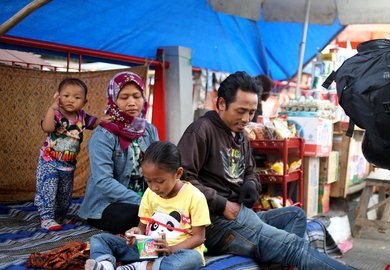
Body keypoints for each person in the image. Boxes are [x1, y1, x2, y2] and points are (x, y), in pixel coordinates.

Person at [177, 71, 354, 269]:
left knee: (296, 215)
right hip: (213, 223)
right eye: (240, 111)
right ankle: (286, 252)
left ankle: (277, 258)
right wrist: (222, 204)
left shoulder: (240, 135)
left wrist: (251, 184)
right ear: (221, 104)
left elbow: (251, 171)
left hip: (240, 214)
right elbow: (183, 180)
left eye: (251, 112)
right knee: (292, 247)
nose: (246, 118)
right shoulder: (201, 131)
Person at [85, 141, 210, 270]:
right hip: (149, 249)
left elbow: (199, 237)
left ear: (178, 173)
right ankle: (106, 266)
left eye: (160, 181)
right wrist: (136, 233)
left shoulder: (195, 197)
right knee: (100, 239)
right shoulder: (150, 193)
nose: (154, 187)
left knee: (192, 259)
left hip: (178, 252)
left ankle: (140, 267)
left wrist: (171, 249)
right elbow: (142, 227)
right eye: (148, 181)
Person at [78, 71, 159, 234]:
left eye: (137, 96)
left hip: (146, 200)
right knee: (136, 217)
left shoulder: (149, 130)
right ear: (113, 99)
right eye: (124, 97)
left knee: (179, 211)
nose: (132, 103)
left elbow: (159, 167)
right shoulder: (103, 135)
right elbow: (103, 181)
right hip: (106, 205)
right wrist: (143, 202)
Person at [35, 78, 101, 231]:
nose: (71, 100)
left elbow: (95, 122)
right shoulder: (56, 114)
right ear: (58, 97)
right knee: (49, 188)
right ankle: (46, 218)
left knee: (65, 194)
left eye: (77, 98)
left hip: (67, 165)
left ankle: (60, 215)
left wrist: (104, 120)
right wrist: (52, 109)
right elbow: (47, 127)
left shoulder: (83, 117)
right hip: (49, 160)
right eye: (66, 96)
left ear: (84, 102)